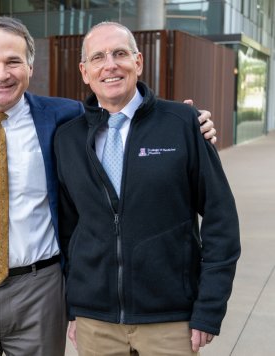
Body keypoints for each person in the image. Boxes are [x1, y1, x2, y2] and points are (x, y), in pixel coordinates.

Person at [0, 17, 217, 355]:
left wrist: (186, 124)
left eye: (13, 61)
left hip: (40, 290)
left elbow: (117, 111)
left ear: (30, 67)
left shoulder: (63, 117)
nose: (1, 74)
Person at [54, 21, 240, 356]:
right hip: (97, 323)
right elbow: (67, 230)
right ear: (85, 71)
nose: (110, 64)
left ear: (138, 62)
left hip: (170, 321)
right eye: (98, 57)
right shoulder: (67, 139)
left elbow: (220, 220)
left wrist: (209, 308)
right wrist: (75, 306)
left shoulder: (183, 123)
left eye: (120, 53)